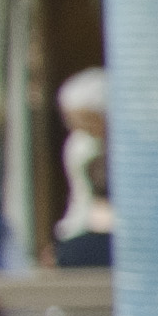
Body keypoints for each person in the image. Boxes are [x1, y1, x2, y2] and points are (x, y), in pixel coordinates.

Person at [49, 65, 111, 267]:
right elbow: (80, 196)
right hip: (85, 231)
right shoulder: (79, 146)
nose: (77, 126)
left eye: (84, 119)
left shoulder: (129, 150)